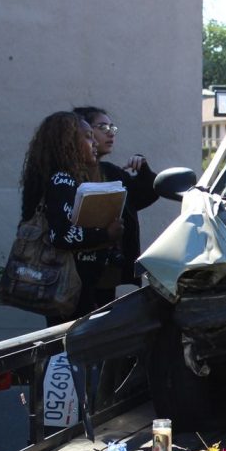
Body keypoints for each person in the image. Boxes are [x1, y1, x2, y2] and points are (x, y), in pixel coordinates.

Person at [19, 111, 124, 326]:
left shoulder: (60, 179)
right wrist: (106, 233)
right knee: (70, 350)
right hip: (68, 287)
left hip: (75, 288)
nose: (94, 142)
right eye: (87, 136)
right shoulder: (62, 180)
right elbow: (62, 235)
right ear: (67, 144)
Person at [73, 106, 159, 306]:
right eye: (102, 127)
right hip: (72, 270)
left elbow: (144, 196)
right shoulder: (64, 175)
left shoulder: (110, 172)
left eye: (112, 127)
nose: (110, 132)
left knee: (101, 329)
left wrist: (144, 170)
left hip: (105, 270)